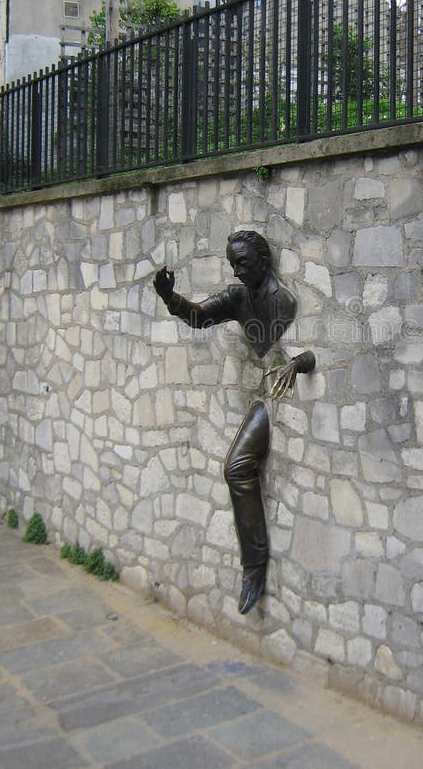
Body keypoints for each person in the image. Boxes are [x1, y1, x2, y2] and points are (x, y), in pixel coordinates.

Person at [153, 230, 315, 614]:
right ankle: (253, 567)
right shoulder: (238, 297)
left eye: (242, 263)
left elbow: (308, 355)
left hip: (278, 399)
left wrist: (296, 363)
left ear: (263, 260)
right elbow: (200, 316)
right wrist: (170, 298)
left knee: (235, 467)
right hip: (263, 396)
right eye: (232, 264)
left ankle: (254, 567)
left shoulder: (285, 301)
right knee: (236, 469)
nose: (237, 271)